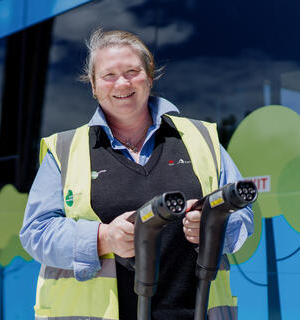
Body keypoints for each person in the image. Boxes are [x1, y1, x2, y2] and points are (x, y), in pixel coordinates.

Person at [20, 29, 253, 320]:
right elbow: (36, 232)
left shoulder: (201, 138)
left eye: (132, 71)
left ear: (149, 77)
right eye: (109, 75)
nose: (122, 82)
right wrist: (104, 237)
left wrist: (215, 229)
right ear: (93, 85)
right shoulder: (65, 150)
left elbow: (243, 216)